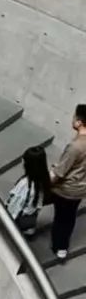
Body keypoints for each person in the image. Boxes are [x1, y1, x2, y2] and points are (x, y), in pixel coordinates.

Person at [48, 105, 86, 261]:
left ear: (79, 122)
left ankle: (56, 243)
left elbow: (59, 172)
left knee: (60, 218)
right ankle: (62, 248)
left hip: (65, 190)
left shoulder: (75, 147)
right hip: (80, 190)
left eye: (74, 117)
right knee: (69, 218)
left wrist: (45, 181)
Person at [5, 144, 51, 241]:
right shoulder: (43, 180)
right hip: (30, 218)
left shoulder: (24, 185)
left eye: (24, 159)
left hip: (19, 220)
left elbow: (15, 207)